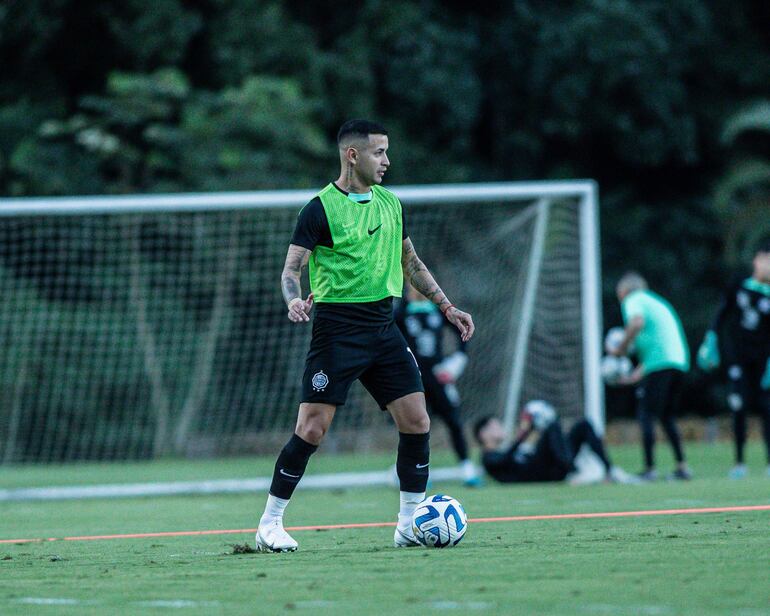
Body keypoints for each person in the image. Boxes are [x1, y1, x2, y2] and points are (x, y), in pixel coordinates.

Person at [255, 119, 475, 552]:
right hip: (337, 332)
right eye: (379, 152)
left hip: (384, 328)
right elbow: (291, 269)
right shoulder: (318, 209)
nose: (387, 161)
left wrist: (447, 306)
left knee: (417, 420)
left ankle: (409, 524)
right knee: (312, 429)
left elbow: (411, 263)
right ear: (352, 155)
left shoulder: (391, 203)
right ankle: (269, 524)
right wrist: (293, 299)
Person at [394, 282, 481, 486]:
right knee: (414, 425)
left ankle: (467, 468)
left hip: (438, 376)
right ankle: (413, 471)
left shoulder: (438, 310)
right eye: (415, 285)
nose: (419, 289)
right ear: (408, 288)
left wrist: (457, 362)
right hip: (413, 378)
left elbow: (462, 333)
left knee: (454, 420)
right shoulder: (400, 313)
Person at [697, 239, 770, 478]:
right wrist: (711, 339)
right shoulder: (739, 285)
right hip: (738, 359)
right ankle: (739, 462)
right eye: (765, 260)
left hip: (763, 362)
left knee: (767, 408)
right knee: (738, 406)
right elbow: (721, 313)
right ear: (756, 261)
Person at [611, 272, 691, 481]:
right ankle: (682, 467)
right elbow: (659, 342)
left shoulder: (633, 299)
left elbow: (636, 323)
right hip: (678, 362)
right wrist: (636, 375)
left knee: (645, 413)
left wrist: (620, 348)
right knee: (666, 416)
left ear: (623, 291)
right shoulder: (656, 301)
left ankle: (649, 470)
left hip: (661, 364)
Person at [473, 400, 615, 483]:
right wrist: (525, 433)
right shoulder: (488, 458)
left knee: (583, 425)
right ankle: (574, 471)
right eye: (495, 426)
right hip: (541, 474)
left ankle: (610, 471)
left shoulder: (502, 452)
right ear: (483, 434)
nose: (500, 427)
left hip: (552, 465)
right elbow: (505, 460)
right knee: (552, 426)